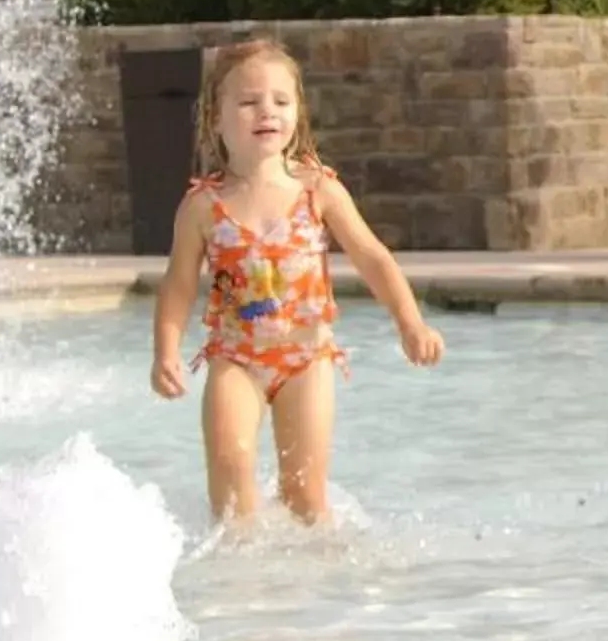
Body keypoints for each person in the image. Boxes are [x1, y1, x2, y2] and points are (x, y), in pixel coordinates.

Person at [151, 39, 444, 524]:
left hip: (307, 359)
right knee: (230, 468)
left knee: (305, 492)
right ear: (215, 119)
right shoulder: (203, 207)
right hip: (234, 359)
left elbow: (374, 258)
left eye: (281, 101)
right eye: (248, 102)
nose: (267, 111)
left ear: (297, 113)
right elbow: (178, 285)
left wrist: (410, 323)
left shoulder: (319, 191)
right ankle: (240, 572)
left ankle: (312, 589)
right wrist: (165, 351)